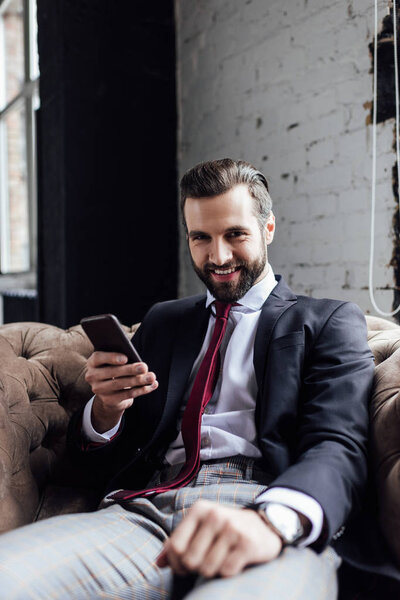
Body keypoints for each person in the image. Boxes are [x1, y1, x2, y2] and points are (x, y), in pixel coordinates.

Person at [0, 159, 374, 599]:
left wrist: (274, 522)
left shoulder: (328, 320)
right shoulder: (165, 321)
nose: (218, 257)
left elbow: (340, 445)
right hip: (145, 513)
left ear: (268, 229)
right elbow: (91, 464)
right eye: (201, 238)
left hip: (267, 513)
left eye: (235, 234)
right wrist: (104, 412)